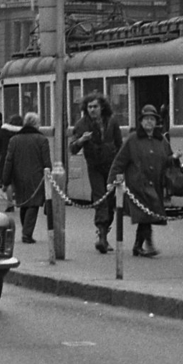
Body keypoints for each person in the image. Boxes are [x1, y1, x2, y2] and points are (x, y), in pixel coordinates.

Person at [111, 105, 170, 257]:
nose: (149, 122)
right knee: (145, 214)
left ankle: (139, 246)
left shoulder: (161, 140)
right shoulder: (132, 139)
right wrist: (112, 179)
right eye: (146, 119)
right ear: (141, 122)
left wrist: (174, 159)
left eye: (152, 119)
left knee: (147, 215)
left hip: (155, 183)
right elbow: (120, 161)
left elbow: (167, 159)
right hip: (138, 183)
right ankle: (146, 244)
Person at [70, 95, 123, 254]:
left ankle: (104, 233)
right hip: (94, 166)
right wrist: (81, 140)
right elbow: (72, 148)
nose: (92, 110)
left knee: (111, 200)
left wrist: (121, 166)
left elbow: (119, 145)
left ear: (102, 107)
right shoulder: (82, 124)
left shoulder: (112, 121)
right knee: (100, 198)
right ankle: (102, 237)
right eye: (89, 107)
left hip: (111, 166)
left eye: (95, 107)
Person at [0, 110, 53, 245]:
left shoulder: (14, 139)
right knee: (33, 205)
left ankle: (26, 230)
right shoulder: (42, 140)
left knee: (23, 203)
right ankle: (27, 234)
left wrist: (5, 179)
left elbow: (8, 161)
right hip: (37, 177)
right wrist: (49, 176)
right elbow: (46, 162)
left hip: (19, 177)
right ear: (35, 124)